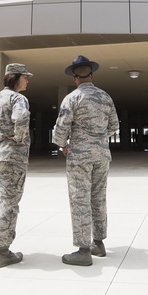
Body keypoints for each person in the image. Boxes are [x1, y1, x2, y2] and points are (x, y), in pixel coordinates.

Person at [52, 55, 119, 267]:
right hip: (101, 155)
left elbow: (61, 127)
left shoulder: (72, 98)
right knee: (98, 198)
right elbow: (115, 125)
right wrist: (99, 140)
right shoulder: (105, 97)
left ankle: (83, 250)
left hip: (80, 156)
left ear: (74, 78)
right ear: (92, 75)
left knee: (80, 198)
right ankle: (98, 243)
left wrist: (63, 145)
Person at [0, 63, 33, 268]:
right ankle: (4, 251)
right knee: (8, 202)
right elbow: (21, 117)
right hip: (11, 157)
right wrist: (19, 138)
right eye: (25, 77)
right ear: (16, 78)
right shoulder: (18, 98)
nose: (27, 80)